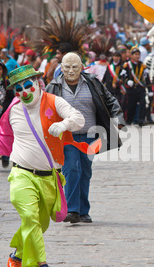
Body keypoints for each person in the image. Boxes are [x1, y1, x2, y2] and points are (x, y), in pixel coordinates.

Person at [0, 65, 86, 267]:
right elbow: (3, 137)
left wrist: (63, 123)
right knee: (29, 216)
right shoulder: (14, 109)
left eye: (28, 86)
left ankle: (16, 259)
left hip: (49, 178)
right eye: (19, 89)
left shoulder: (54, 101)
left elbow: (79, 119)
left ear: (38, 84)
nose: (25, 92)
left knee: (38, 224)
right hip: (21, 174)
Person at [46, 52, 125, 224]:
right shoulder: (53, 86)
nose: (71, 70)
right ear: (61, 68)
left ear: (82, 67)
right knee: (72, 168)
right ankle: (72, 210)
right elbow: (44, 108)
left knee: (85, 171)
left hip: (90, 135)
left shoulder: (92, 82)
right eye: (67, 67)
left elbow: (110, 100)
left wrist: (118, 120)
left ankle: (83, 211)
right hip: (66, 136)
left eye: (75, 66)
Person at [121, 46, 147, 126]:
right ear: (131, 55)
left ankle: (141, 120)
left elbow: (146, 77)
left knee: (143, 102)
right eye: (135, 54)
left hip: (140, 88)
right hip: (131, 89)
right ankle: (129, 120)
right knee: (131, 105)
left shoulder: (143, 65)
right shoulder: (127, 65)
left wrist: (149, 89)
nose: (137, 56)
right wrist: (127, 81)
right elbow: (122, 75)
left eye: (138, 54)